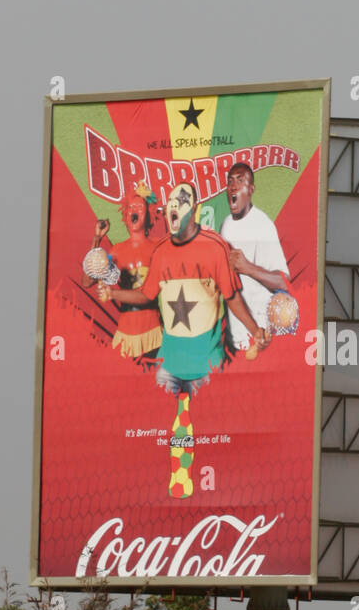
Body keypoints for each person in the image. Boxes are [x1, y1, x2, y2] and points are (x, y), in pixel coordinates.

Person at [98, 180, 269, 497]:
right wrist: (113, 292)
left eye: (183, 199)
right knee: (172, 421)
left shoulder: (215, 247)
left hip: (208, 359)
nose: (175, 205)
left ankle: (222, 490)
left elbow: (231, 298)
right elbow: (146, 294)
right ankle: (176, 478)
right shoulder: (161, 252)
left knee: (213, 430)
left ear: (196, 210)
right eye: (171, 202)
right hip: (172, 358)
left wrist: (255, 330)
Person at [83, 183, 162, 359]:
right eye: (131, 207)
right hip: (125, 337)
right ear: (125, 216)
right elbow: (88, 281)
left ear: (148, 214)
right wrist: (97, 238)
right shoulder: (116, 252)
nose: (134, 210)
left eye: (139, 207)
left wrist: (112, 294)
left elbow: (147, 294)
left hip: (155, 336)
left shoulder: (158, 247)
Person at [219, 161, 291, 351]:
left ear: (251, 189)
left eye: (240, 181)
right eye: (230, 181)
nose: (233, 186)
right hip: (234, 339)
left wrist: (247, 267)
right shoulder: (226, 224)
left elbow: (284, 282)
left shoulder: (263, 225)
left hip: (259, 337)